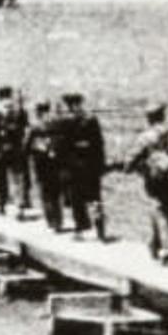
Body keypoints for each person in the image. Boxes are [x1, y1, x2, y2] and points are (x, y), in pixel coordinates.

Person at [125, 103, 168, 264]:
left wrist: (128, 167)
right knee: (167, 211)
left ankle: (167, 250)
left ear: (149, 118)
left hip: (154, 179)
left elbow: (133, 157)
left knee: (157, 209)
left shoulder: (146, 137)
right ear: (163, 116)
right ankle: (155, 245)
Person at [55, 93, 107, 240]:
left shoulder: (66, 121)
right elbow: (99, 144)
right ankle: (100, 227)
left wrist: (61, 166)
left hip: (74, 166)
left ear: (69, 104)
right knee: (95, 197)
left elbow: (62, 146)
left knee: (77, 198)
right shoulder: (91, 119)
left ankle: (80, 229)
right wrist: (101, 164)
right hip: (91, 164)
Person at [0, 86, 31, 217]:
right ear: (10, 95)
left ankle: (1, 205)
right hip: (16, 148)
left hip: (0, 148)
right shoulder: (20, 109)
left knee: (0, 177)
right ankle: (20, 207)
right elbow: (27, 128)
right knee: (18, 177)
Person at [26, 100, 62, 232]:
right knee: (56, 193)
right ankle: (59, 222)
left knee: (45, 192)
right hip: (55, 163)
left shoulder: (35, 125)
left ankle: (51, 222)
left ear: (38, 111)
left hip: (41, 163)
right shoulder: (56, 123)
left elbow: (27, 144)